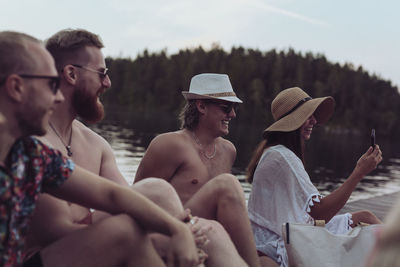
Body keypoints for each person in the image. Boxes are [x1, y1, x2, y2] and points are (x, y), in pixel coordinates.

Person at [26, 28, 234, 267]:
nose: (108, 82)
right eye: (102, 73)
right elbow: (54, 234)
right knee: (144, 210)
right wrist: (166, 239)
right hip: (49, 256)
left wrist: (179, 230)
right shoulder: (29, 146)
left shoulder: (96, 144)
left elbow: (120, 198)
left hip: (96, 241)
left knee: (209, 230)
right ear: (71, 74)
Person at [135, 73, 264, 267]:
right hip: (172, 230)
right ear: (201, 106)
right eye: (226, 107)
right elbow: (138, 199)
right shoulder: (170, 144)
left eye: (234, 108)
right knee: (227, 185)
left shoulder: (228, 150)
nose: (232, 114)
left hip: (211, 237)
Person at [246, 87, 383, 267]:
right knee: (367, 224)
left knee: (365, 217)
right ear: (292, 120)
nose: (314, 120)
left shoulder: (276, 152)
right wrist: (359, 173)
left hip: (291, 231)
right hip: (280, 242)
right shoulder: (282, 157)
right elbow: (321, 213)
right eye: (308, 115)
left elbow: (314, 212)